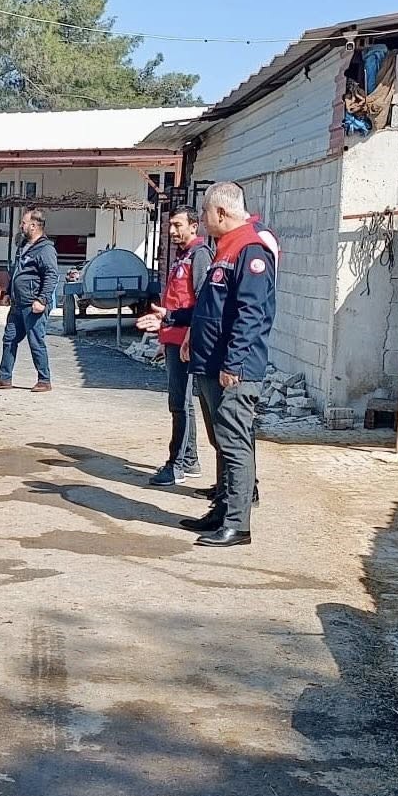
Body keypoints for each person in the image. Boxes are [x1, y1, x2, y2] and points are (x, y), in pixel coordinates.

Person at [179, 182, 278, 548]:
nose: (202, 221)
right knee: (222, 442)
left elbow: (251, 313)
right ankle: (222, 511)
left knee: (235, 444)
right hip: (210, 362)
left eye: (204, 213)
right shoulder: (225, 247)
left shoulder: (250, 248)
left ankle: (238, 524)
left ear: (221, 212)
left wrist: (233, 362)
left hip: (232, 369)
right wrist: (191, 334)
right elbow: (213, 303)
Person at [137, 206, 213, 486]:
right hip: (174, 339)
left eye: (178, 225)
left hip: (185, 340)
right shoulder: (183, 256)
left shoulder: (200, 256)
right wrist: (164, 340)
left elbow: (203, 304)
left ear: (194, 226)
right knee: (183, 403)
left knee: (179, 403)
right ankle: (190, 460)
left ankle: (176, 464)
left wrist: (188, 338)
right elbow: (175, 300)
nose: (172, 231)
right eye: (171, 225)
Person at [0, 207, 60, 392]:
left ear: (34, 226)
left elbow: (51, 275)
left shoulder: (46, 249)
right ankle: (5, 377)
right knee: (9, 338)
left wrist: (42, 300)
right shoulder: (24, 246)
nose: (21, 226)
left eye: (24, 223)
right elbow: (17, 271)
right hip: (18, 303)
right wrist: (9, 292)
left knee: (36, 341)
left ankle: (44, 380)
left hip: (33, 303)